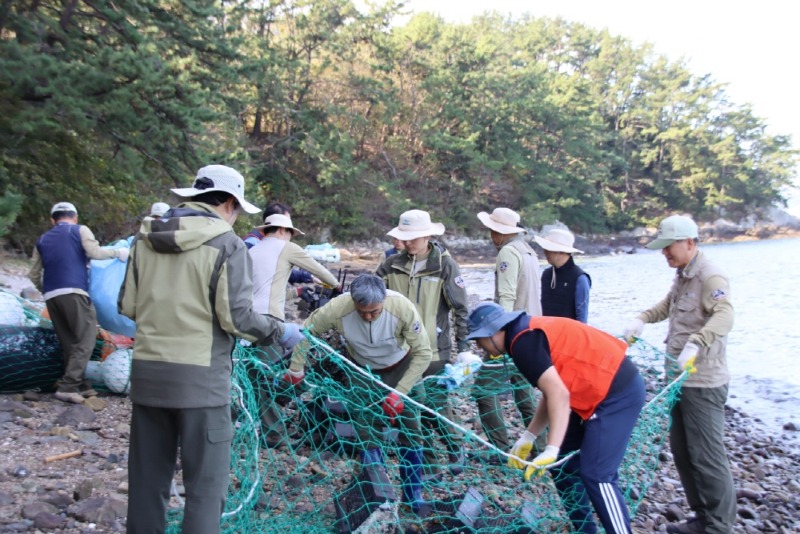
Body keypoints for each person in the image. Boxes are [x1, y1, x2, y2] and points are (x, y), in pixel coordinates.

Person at [118, 164, 304, 534]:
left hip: (147, 376)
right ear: (231, 204)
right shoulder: (227, 244)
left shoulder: (144, 239)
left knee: (146, 484)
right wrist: (281, 331)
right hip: (201, 384)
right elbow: (237, 319)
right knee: (205, 488)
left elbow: (128, 306)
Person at [467, 303, 645, 534]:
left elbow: (559, 395)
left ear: (492, 332)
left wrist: (550, 448)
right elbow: (551, 391)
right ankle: (585, 530)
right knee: (564, 466)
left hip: (616, 392)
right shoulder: (520, 337)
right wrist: (529, 436)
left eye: (478, 340)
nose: (479, 346)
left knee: (598, 474)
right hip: (585, 391)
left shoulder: (524, 344)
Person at [622, 215, 735, 534]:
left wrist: (697, 342)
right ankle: (701, 517)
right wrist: (641, 318)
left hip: (703, 382)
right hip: (677, 381)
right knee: (683, 452)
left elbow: (725, 315)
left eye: (668, 247)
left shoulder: (711, 276)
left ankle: (719, 526)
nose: (664, 254)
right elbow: (667, 306)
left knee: (707, 455)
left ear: (689, 243)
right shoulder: (682, 275)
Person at [285, 274, 433, 515]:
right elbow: (306, 332)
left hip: (402, 366)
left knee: (411, 427)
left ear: (383, 300)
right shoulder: (337, 308)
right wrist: (296, 367)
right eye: (362, 311)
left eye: (374, 312)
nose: (367, 316)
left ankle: (412, 494)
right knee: (365, 430)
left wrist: (400, 393)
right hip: (362, 371)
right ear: (352, 300)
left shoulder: (402, 307)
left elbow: (423, 353)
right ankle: (378, 494)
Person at [377, 209, 472, 478]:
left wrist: (463, 348)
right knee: (410, 408)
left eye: (412, 239)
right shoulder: (390, 264)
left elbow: (461, 308)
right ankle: (429, 465)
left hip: (433, 350)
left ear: (427, 236)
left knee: (435, 406)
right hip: (400, 351)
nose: (406, 244)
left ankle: (454, 446)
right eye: (404, 238)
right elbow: (372, 294)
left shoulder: (445, 265)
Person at [248, 212, 341, 447]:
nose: (290, 237)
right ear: (283, 231)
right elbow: (321, 272)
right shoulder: (286, 247)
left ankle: (253, 421)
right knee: (270, 377)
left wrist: (297, 292)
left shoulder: (252, 250)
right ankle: (274, 433)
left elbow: (266, 290)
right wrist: (335, 286)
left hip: (244, 318)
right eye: (290, 233)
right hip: (268, 321)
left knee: (253, 373)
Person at [28, 201, 129, 404]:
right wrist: (118, 253)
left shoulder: (42, 239)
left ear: (52, 220)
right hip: (74, 291)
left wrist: (45, 290)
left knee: (70, 342)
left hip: (51, 296)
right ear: (74, 217)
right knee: (86, 338)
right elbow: (95, 253)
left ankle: (82, 384)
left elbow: (33, 273)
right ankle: (68, 386)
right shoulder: (79, 230)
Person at [472, 207, 542, 453]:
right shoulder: (529, 252)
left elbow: (507, 295)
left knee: (483, 389)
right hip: (531, 330)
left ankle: (500, 447)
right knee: (523, 391)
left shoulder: (508, 253)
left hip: (510, 333)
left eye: (492, 230)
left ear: (499, 232)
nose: (490, 236)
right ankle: (540, 446)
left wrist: (496, 333)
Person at [242, 201, 314, 285]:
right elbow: (275, 271)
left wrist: (307, 276)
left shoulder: (270, 243)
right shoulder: (252, 244)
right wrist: (306, 276)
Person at [534, 228, 591, 323]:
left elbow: (582, 318)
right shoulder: (546, 274)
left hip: (569, 335)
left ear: (560, 251)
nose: (545, 252)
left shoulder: (580, 278)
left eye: (548, 249)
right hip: (547, 333)